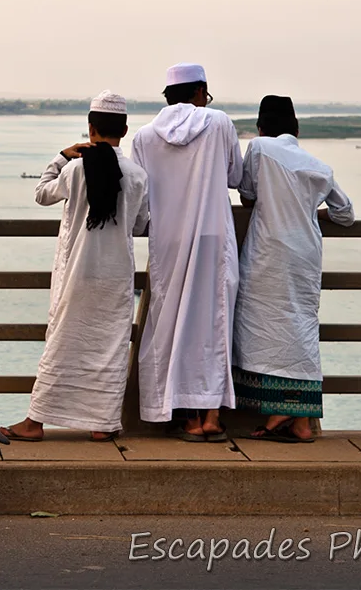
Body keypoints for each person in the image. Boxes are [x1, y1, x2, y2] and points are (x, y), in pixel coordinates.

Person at [0, 91, 149, 443]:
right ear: (124, 130)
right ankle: (103, 423)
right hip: (115, 276)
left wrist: (62, 155)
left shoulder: (75, 169)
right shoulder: (138, 176)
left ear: (90, 128)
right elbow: (141, 225)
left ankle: (35, 423)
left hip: (76, 274)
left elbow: (41, 193)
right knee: (109, 346)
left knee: (63, 343)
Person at [130, 63, 242, 441]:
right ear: (201, 91)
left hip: (167, 239)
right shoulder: (219, 123)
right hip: (213, 237)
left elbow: (141, 196)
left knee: (170, 323)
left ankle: (184, 415)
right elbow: (235, 177)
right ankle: (212, 416)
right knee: (214, 323)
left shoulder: (144, 137)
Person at [234, 95, 355, 442]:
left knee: (262, 322)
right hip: (306, 253)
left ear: (261, 127)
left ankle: (283, 408)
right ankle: (301, 421)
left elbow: (247, 194)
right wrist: (308, 211)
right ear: (297, 129)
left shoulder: (260, 149)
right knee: (301, 322)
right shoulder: (317, 165)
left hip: (269, 251)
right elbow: (345, 213)